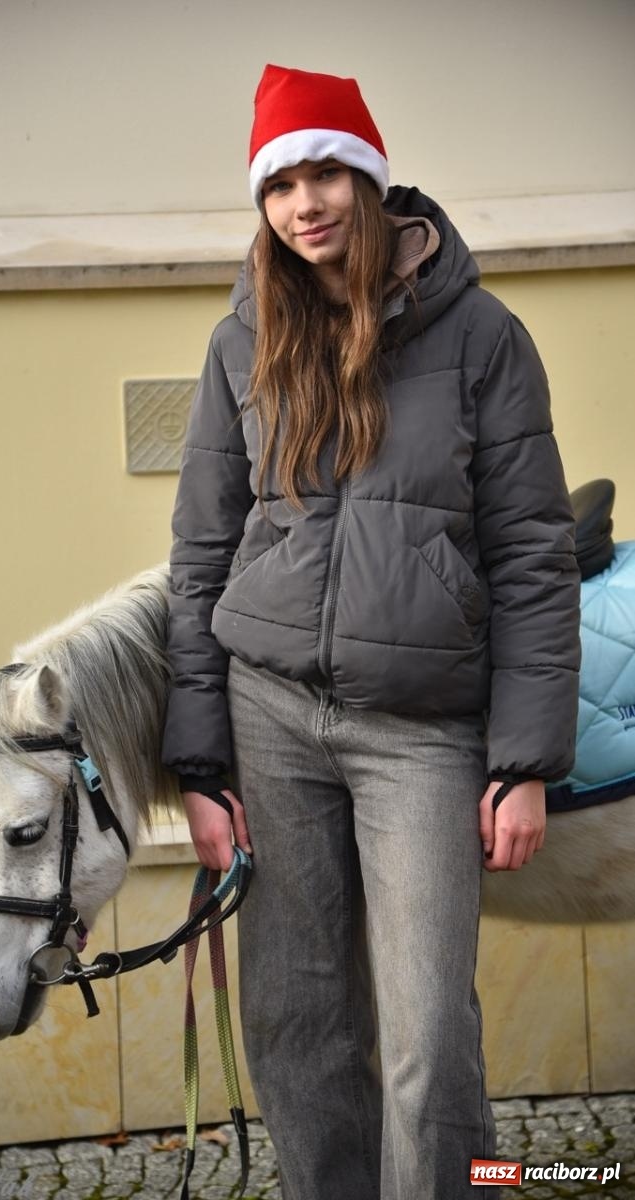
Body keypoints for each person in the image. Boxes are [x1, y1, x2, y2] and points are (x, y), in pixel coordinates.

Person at [161, 63, 580, 1200]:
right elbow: (200, 556)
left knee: (429, 1030)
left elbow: (533, 549)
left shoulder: (484, 336)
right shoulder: (239, 342)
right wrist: (197, 762)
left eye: (326, 173)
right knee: (299, 1019)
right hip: (271, 717)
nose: (306, 204)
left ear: (371, 178)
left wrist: (525, 761)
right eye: (280, 184)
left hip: (423, 729)